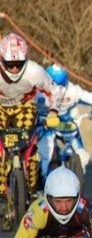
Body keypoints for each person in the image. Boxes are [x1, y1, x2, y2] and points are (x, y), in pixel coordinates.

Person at [0, 32, 63, 221]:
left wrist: (53, 112)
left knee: (31, 148)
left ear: (25, 61)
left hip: (24, 106)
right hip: (1, 107)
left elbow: (55, 91)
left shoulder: (34, 71)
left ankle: (33, 189)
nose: (13, 69)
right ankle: (3, 191)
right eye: (8, 64)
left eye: (17, 64)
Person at [35, 64, 92, 179]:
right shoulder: (38, 93)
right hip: (46, 123)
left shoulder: (73, 91)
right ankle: (43, 177)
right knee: (45, 151)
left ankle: (78, 177)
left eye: (61, 85)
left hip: (66, 122)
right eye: (53, 84)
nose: (57, 89)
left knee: (82, 156)